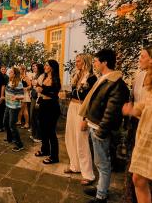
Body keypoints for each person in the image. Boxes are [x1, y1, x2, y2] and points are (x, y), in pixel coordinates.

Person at [79, 49, 129, 203]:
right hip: (93, 125)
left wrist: (101, 131)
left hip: (99, 129)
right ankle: (101, 186)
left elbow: (111, 112)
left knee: (103, 163)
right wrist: (87, 119)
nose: (94, 63)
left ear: (104, 62)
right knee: (98, 162)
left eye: (96, 61)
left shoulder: (116, 83)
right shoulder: (105, 78)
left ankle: (101, 195)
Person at [124, 46, 152, 203]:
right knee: (138, 178)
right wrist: (132, 110)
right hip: (142, 132)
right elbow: (143, 103)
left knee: (139, 178)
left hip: (149, 135)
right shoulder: (145, 78)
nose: (139, 59)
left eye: (142, 56)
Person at [64, 54, 96, 185]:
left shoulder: (92, 78)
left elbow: (92, 100)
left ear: (85, 62)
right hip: (72, 107)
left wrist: (85, 118)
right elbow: (74, 92)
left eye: (78, 61)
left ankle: (88, 174)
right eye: (76, 61)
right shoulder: (77, 75)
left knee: (81, 140)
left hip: (82, 109)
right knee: (69, 136)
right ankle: (74, 166)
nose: (76, 63)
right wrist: (66, 95)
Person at [35, 60, 61, 164]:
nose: (45, 66)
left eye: (47, 65)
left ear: (52, 67)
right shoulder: (45, 77)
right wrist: (39, 88)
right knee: (43, 129)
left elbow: (54, 94)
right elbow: (40, 88)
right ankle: (45, 150)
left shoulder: (56, 79)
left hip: (52, 107)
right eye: (45, 65)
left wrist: (42, 90)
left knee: (51, 132)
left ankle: (54, 157)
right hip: (43, 105)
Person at [3, 67, 25, 152]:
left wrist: (15, 97)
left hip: (14, 107)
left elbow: (22, 96)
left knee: (12, 125)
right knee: (5, 122)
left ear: (15, 74)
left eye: (11, 72)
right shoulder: (10, 81)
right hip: (8, 105)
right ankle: (10, 138)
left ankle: (19, 144)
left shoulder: (18, 83)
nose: (9, 73)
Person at [30, 63, 44, 142]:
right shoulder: (36, 75)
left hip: (38, 97)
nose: (34, 68)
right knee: (33, 115)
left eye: (36, 67)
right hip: (34, 96)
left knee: (37, 117)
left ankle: (38, 135)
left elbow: (39, 86)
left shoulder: (42, 76)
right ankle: (34, 133)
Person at [17, 65, 31, 129]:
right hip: (19, 93)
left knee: (23, 109)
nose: (19, 71)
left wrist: (25, 88)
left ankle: (26, 123)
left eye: (20, 69)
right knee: (23, 109)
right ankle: (21, 121)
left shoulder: (26, 77)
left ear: (23, 70)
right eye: (19, 69)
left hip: (24, 94)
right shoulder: (19, 77)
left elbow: (30, 86)